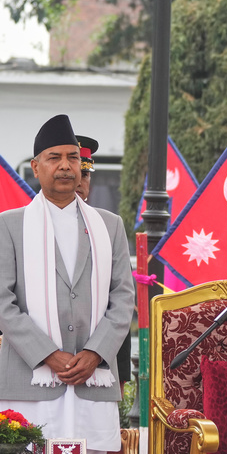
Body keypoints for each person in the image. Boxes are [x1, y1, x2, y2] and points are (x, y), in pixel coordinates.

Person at [0, 114, 135, 454]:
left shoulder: (108, 226)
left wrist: (95, 352)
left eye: (73, 157)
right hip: (32, 376)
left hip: (91, 377)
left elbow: (124, 300)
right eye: (54, 158)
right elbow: (0, 301)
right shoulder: (8, 226)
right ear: (36, 168)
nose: (65, 166)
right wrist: (48, 354)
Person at [75, 135, 131, 391]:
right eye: (74, 172)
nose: (78, 181)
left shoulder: (109, 227)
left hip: (98, 364)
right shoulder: (23, 227)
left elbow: (120, 299)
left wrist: (106, 359)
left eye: (85, 174)